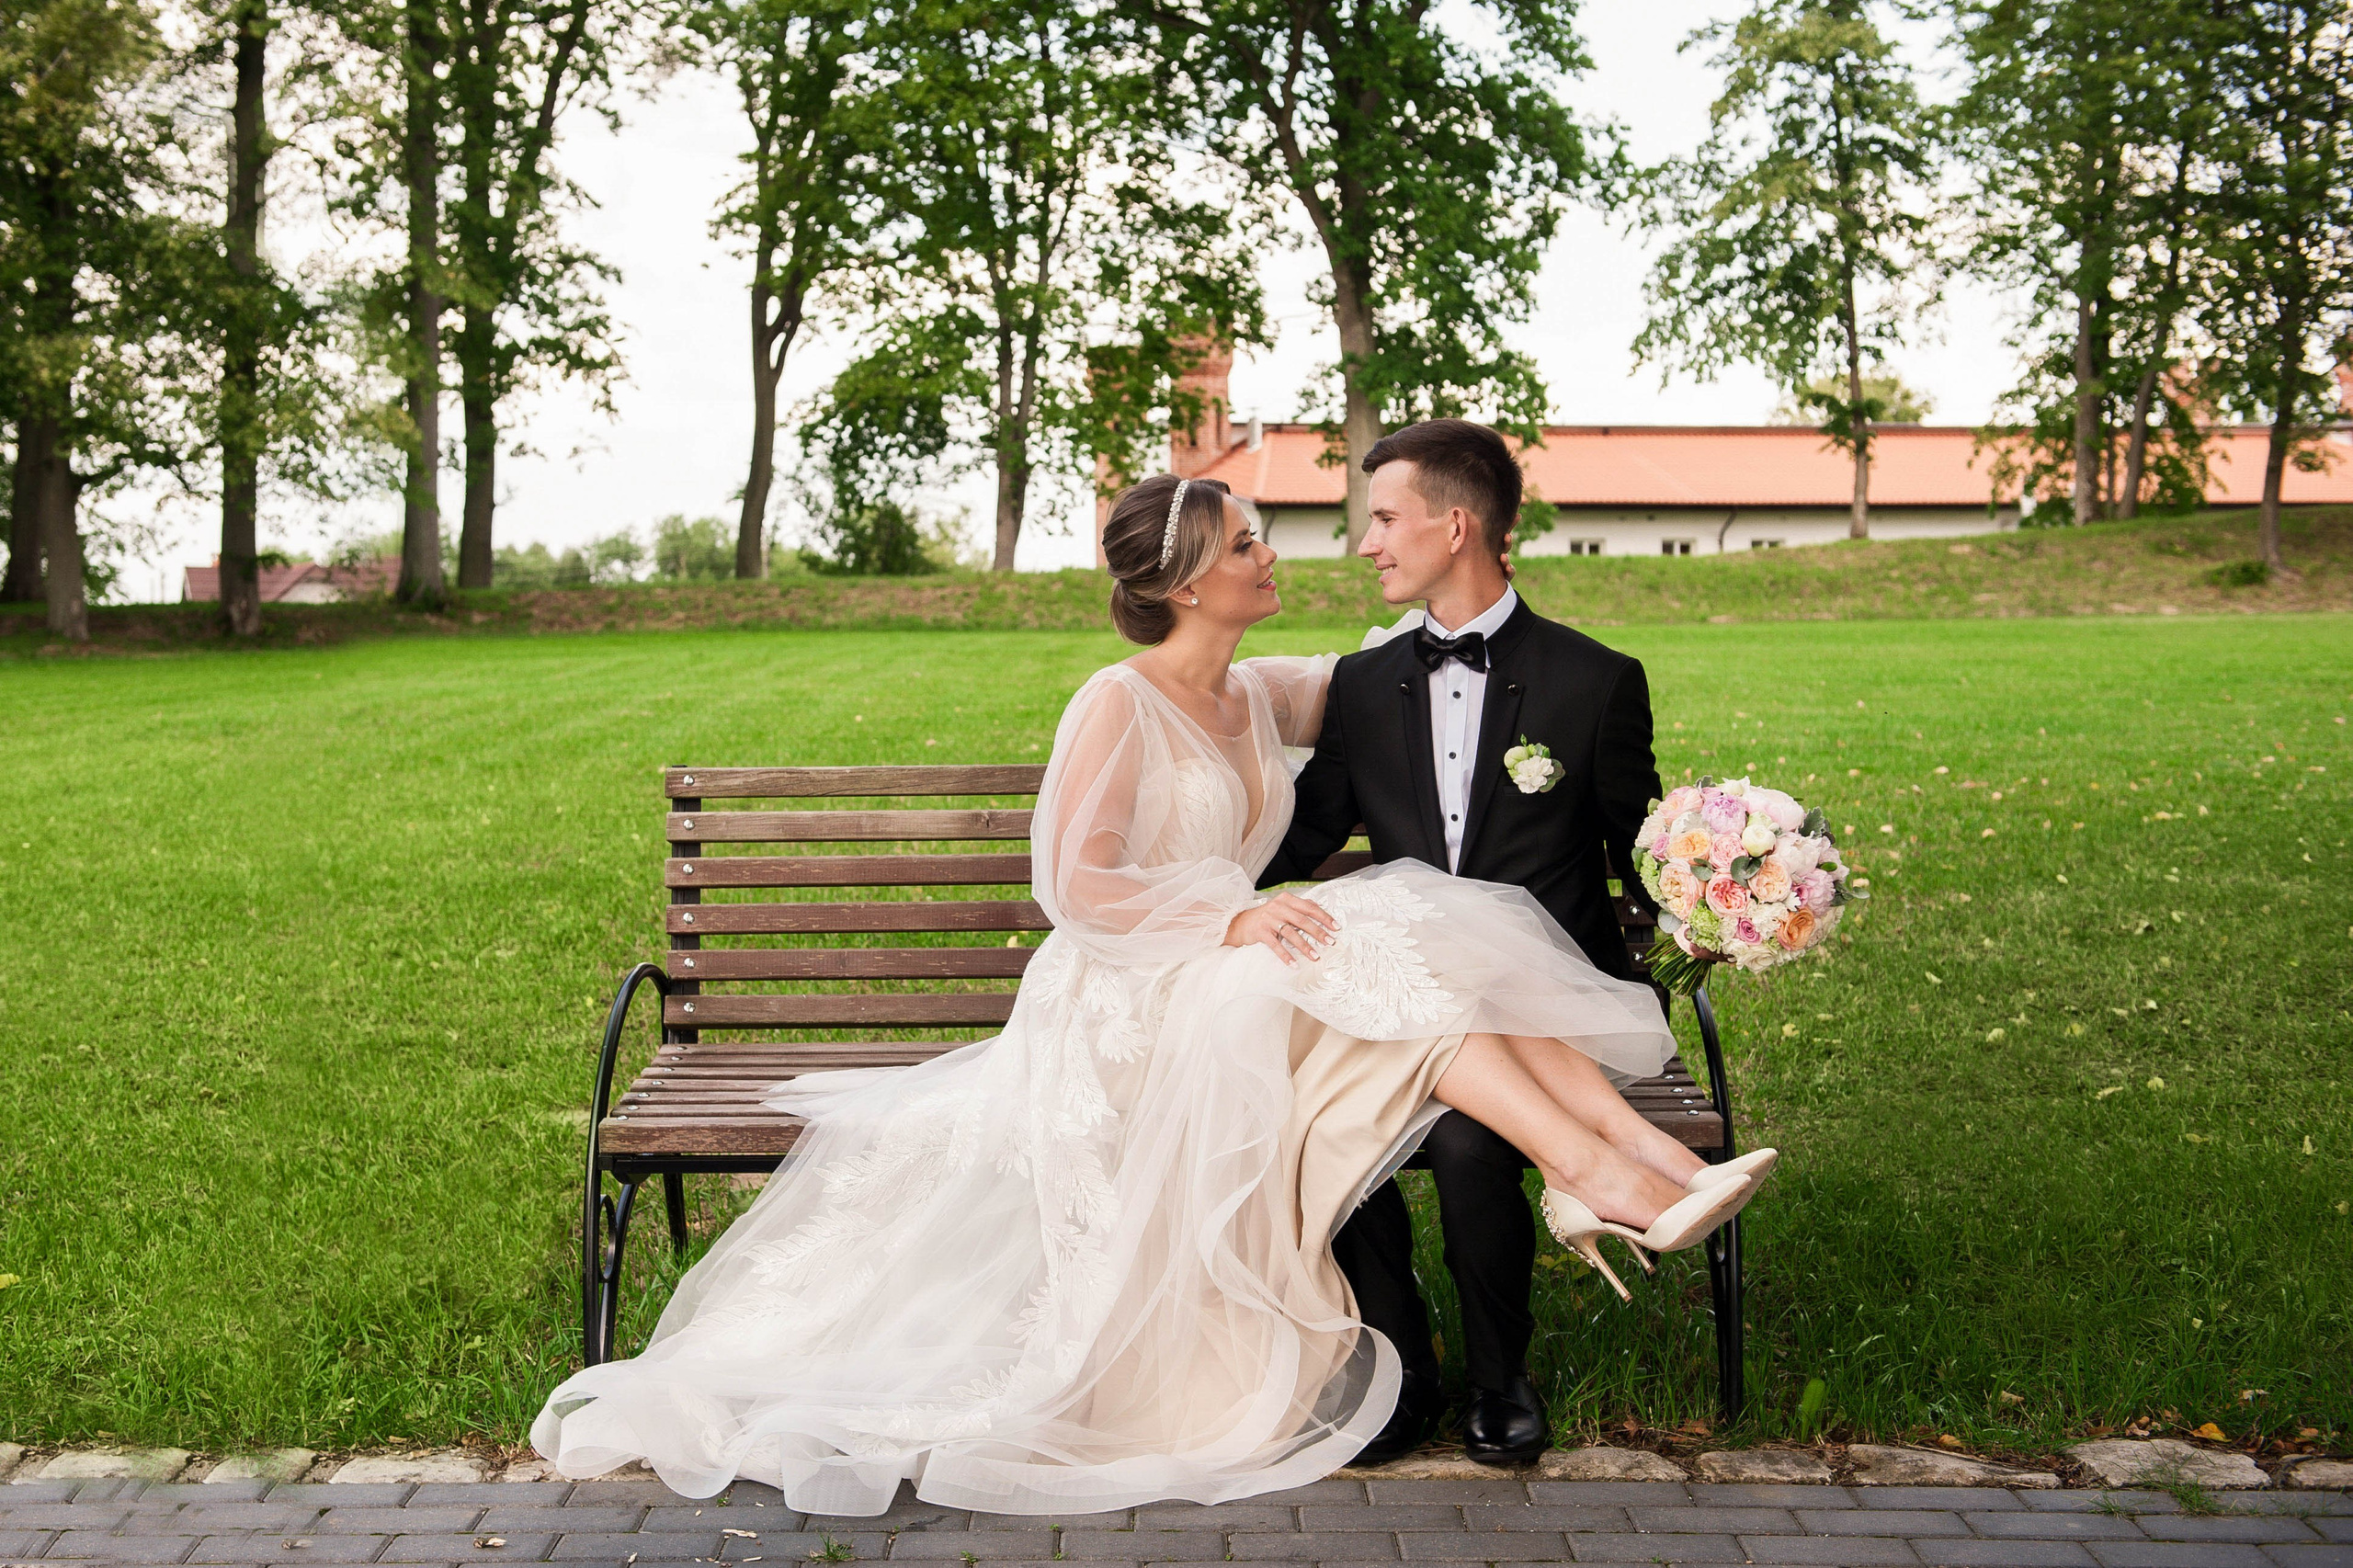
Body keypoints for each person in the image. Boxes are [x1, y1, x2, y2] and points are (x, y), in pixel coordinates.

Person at [529, 469, 1768, 1516]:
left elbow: (1423, 672)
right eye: (1245, 545)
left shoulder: (1263, 690)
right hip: (1131, 991)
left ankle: (1624, 1170)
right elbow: (1077, 883)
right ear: (1185, 583)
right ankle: (1605, 1170)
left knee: (1411, 941)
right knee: (1389, 936)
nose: (1270, 556)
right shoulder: (1116, 700)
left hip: (1234, 972)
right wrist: (1228, 915)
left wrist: (1716, 862)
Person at [1263, 418, 1767, 1466]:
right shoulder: (1364, 684)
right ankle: (1403, 1368)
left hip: (1549, 1008)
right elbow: (1304, 838)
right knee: (1319, 1115)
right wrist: (1200, 896)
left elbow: (1640, 849)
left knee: (1463, 1143)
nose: (1367, 543)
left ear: (1455, 526)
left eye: (1385, 519)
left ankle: (1500, 1380)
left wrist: (1729, 900)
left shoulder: (1595, 679)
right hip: (1414, 1007)